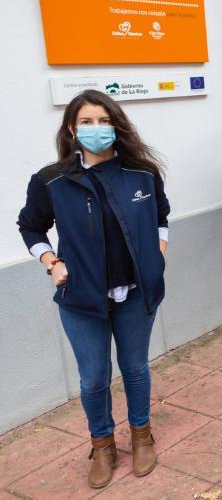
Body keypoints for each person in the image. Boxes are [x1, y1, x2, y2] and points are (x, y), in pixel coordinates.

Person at [17, 90, 170, 488]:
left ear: (116, 126)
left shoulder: (142, 173)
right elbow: (30, 226)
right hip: (81, 298)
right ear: (72, 128)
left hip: (135, 294)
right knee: (93, 378)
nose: (96, 129)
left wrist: (158, 252)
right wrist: (52, 262)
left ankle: (141, 435)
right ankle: (102, 444)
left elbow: (161, 216)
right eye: (87, 121)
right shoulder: (52, 180)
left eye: (104, 121)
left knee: (135, 369)